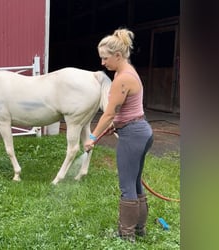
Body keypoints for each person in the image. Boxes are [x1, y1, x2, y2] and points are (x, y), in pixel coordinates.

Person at [84, 28, 154, 243]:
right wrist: (119, 124)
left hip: (133, 136)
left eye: (105, 58)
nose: (103, 63)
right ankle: (139, 229)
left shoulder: (121, 79)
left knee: (127, 186)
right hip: (140, 131)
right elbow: (124, 110)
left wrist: (92, 138)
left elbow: (109, 113)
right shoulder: (128, 71)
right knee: (135, 183)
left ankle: (127, 235)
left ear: (117, 55)